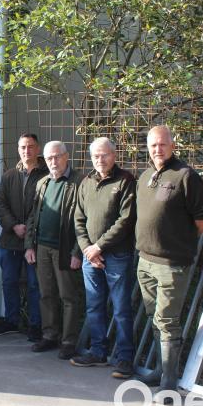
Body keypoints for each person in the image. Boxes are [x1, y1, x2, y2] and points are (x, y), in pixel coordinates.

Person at [136, 125, 203, 400]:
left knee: (167, 320)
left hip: (172, 263)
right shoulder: (146, 176)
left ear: (172, 145)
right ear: (148, 147)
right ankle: (159, 369)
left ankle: (169, 381)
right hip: (145, 261)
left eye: (163, 144)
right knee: (153, 317)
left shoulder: (185, 176)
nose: (158, 149)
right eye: (153, 145)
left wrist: (180, 241)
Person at [71, 137, 137, 379]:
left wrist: (99, 246)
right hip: (91, 257)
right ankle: (98, 352)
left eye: (105, 155)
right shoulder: (86, 182)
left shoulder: (126, 181)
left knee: (121, 309)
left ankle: (124, 359)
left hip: (117, 255)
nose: (100, 159)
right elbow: (78, 219)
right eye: (96, 156)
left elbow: (126, 220)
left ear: (115, 155)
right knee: (94, 306)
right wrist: (88, 248)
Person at [24, 141, 84, 360]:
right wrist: (29, 244)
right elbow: (32, 216)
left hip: (65, 249)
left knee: (69, 296)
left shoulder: (79, 182)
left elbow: (84, 221)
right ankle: (50, 335)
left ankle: (69, 341)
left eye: (57, 157)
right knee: (46, 294)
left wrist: (78, 251)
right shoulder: (43, 183)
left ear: (66, 157)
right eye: (49, 158)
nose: (53, 162)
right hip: (42, 247)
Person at [0, 133, 48, 341]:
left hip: (35, 241)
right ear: (18, 149)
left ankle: (36, 325)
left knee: (35, 284)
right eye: (23, 147)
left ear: (38, 149)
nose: (27, 151)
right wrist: (14, 226)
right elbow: (0, 205)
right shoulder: (8, 176)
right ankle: (11, 321)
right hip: (10, 239)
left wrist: (30, 229)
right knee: (9, 281)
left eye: (31, 147)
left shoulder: (46, 176)